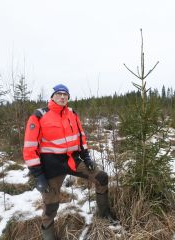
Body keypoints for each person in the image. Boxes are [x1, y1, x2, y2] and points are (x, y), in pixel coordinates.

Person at [23, 84, 115, 240]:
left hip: (72, 160)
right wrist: (38, 175)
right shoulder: (39, 115)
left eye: (65, 94)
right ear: (52, 97)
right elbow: (29, 148)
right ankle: (49, 236)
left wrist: (86, 157)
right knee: (51, 205)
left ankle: (105, 214)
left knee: (101, 177)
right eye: (59, 94)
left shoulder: (72, 114)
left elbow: (81, 138)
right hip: (50, 165)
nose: (62, 97)